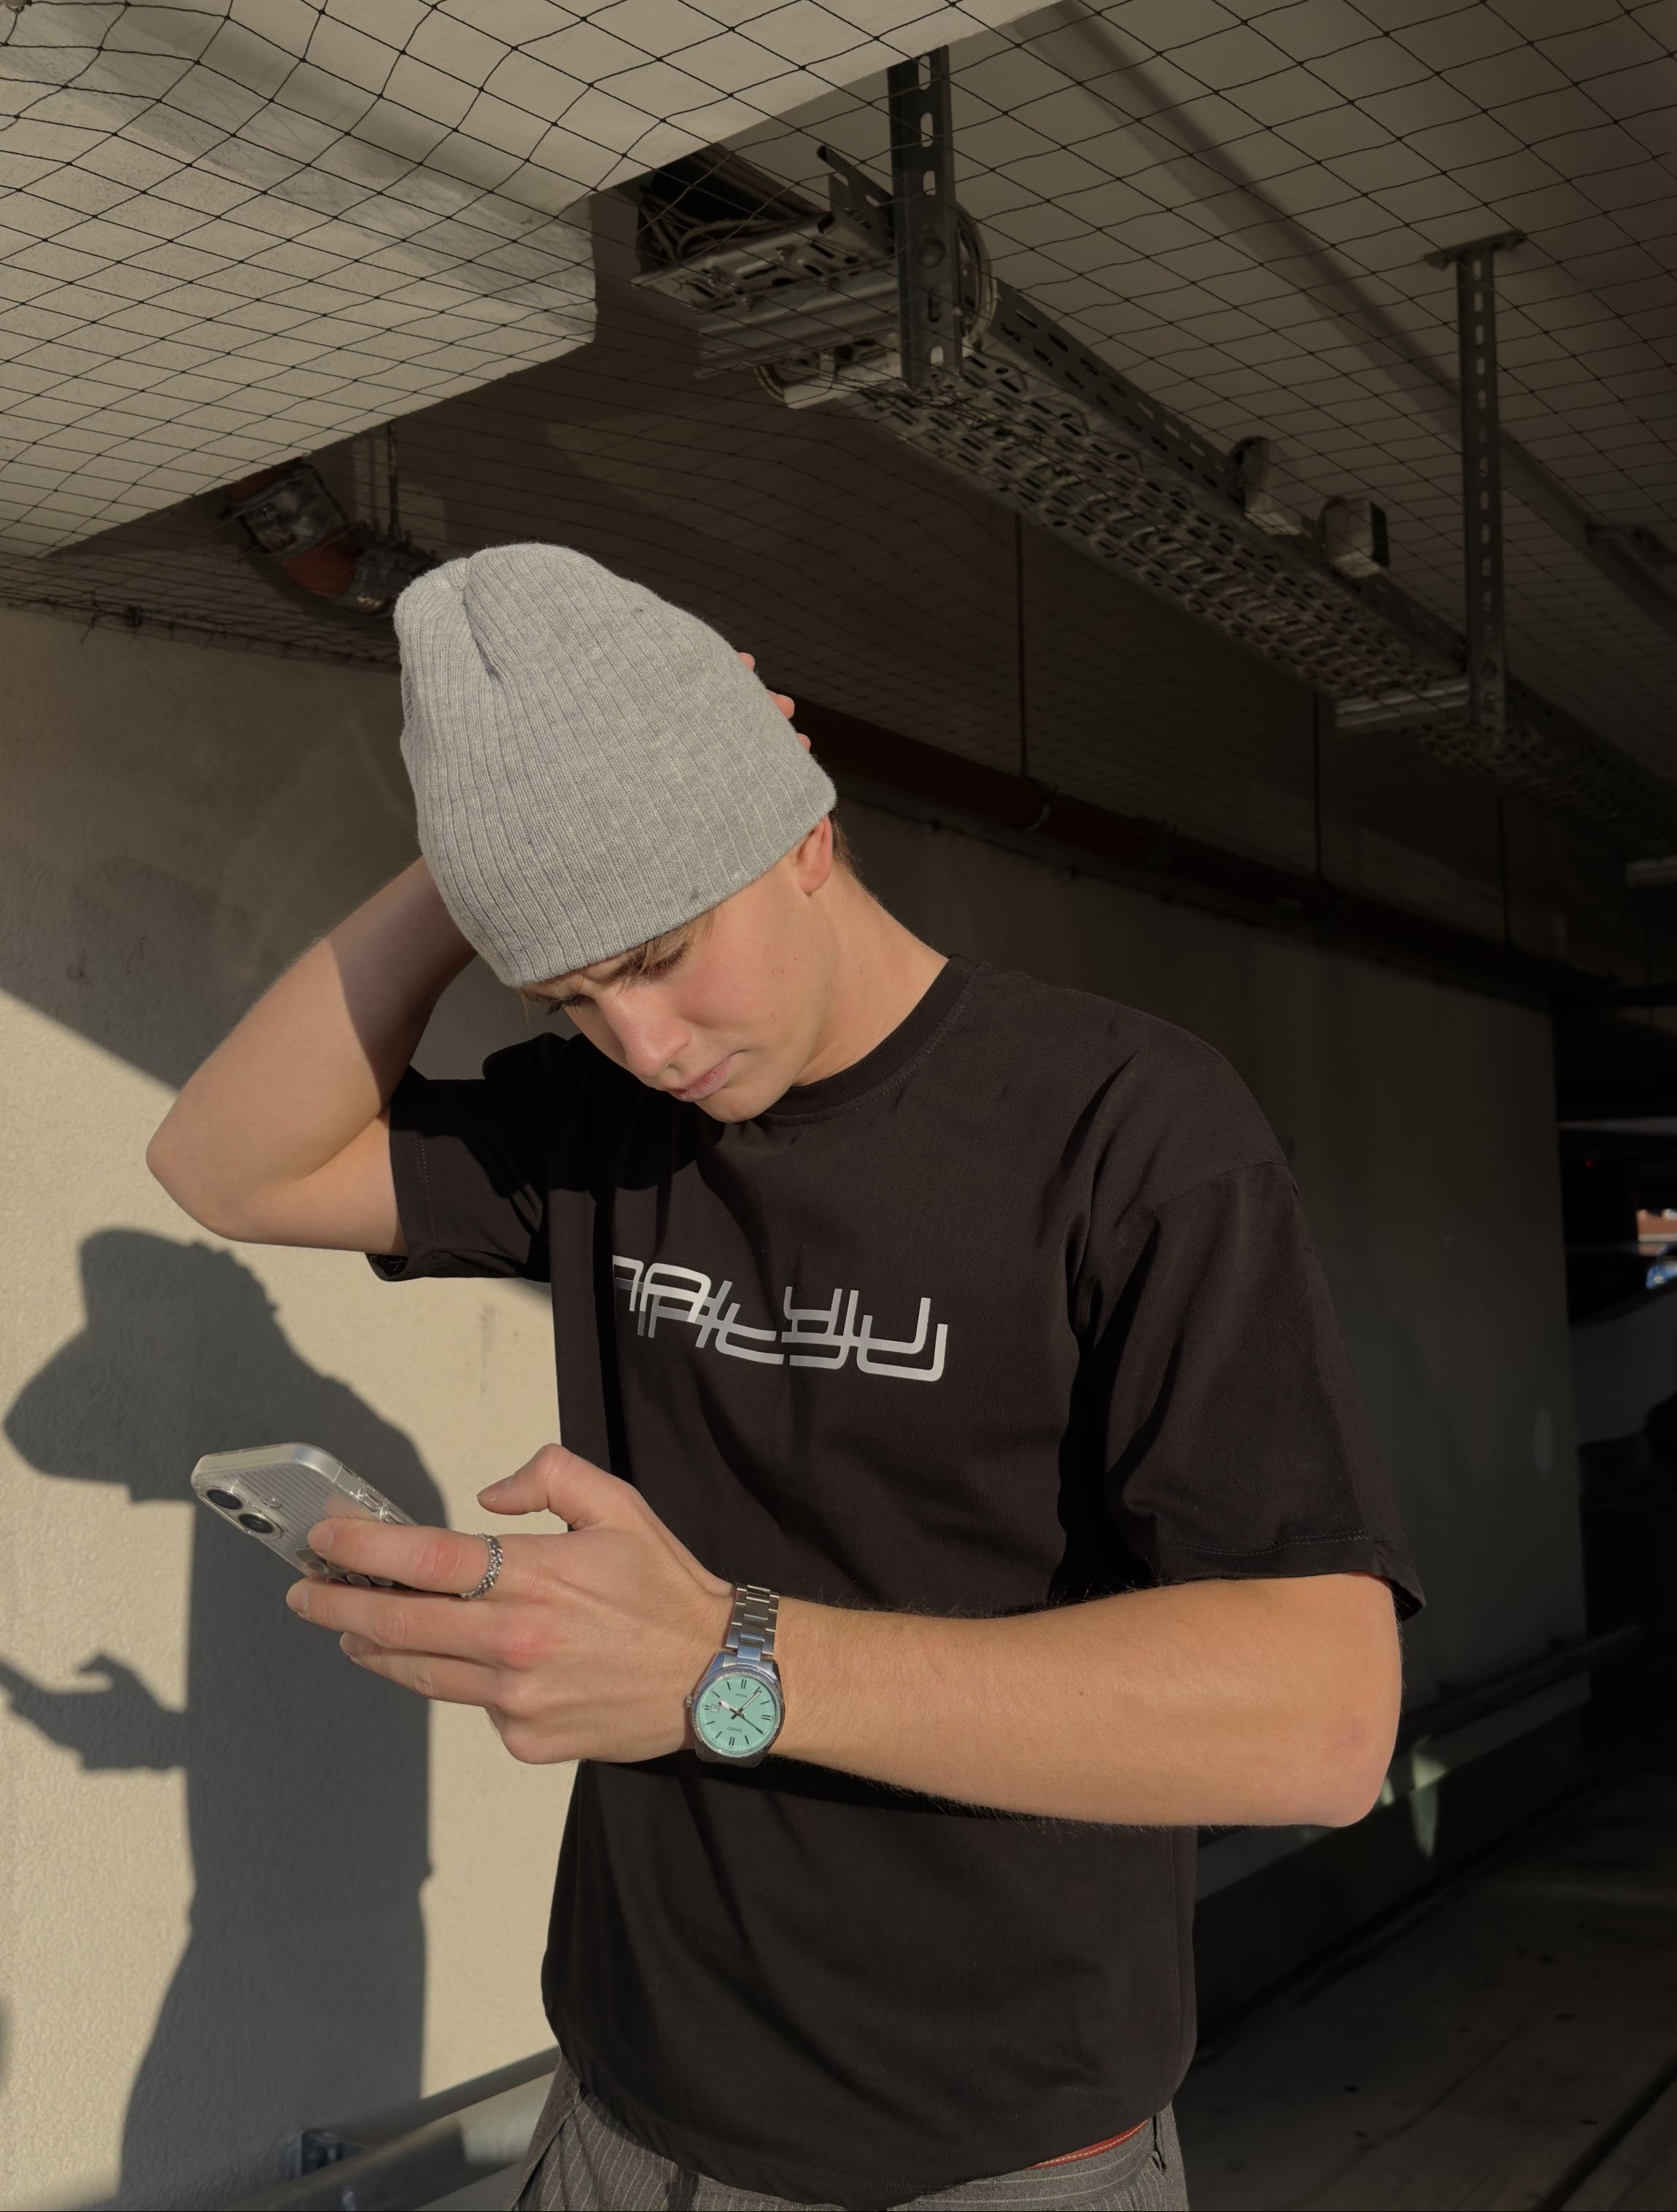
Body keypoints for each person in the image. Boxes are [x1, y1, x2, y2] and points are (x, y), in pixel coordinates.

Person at [148, 544, 1422, 2212]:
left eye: (661, 950)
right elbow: (227, 1165)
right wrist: (489, 853)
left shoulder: (1128, 1125)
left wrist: (720, 1662)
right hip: (621, 2114)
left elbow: (1320, 1721)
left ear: (800, 828)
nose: (646, 1042)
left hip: (992, 2156)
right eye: (570, 992)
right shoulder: (605, 1120)